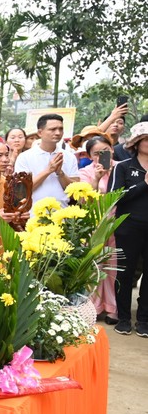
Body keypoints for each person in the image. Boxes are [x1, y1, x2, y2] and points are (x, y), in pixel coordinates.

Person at [108, 121, 148, 337]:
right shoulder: (123, 167)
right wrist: (144, 184)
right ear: (137, 143)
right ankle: (123, 318)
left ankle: (144, 319)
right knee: (125, 273)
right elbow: (115, 197)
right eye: (147, 139)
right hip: (128, 227)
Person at [79, 135, 118, 325]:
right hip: (95, 225)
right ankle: (93, 307)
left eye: (106, 151)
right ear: (89, 156)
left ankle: (112, 308)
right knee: (95, 267)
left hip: (118, 222)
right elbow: (84, 200)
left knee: (114, 266)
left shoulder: (122, 167)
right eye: (96, 153)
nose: (101, 155)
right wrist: (96, 178)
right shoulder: (85, 172)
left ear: (112, 149)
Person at [15, 113, 80, 207]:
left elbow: (75, 193)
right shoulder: (24, 157)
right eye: (52, 129)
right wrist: (48, 171)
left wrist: (60, 173)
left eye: (61, 129)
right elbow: (22, 191)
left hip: (62, 212)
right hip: (34, 213)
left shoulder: (69, 157)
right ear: (40, 133)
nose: (58, 133)